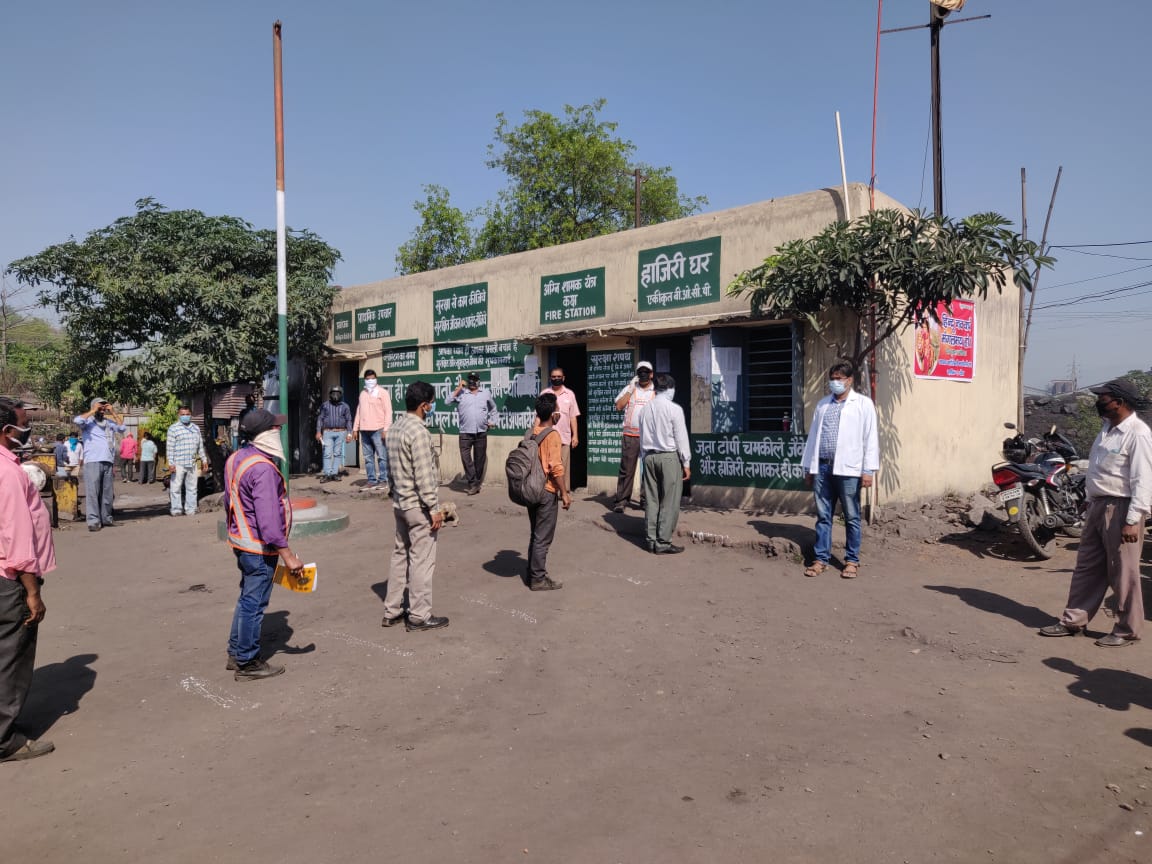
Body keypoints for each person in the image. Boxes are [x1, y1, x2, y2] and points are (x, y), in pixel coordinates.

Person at [1039, 378, 1152, 647]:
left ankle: (1127, 630)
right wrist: (1089, 501)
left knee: (1123, 571)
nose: (1098, 402)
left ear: (1120, 402)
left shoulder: (1137, 433)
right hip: (1098, 506)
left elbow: (1143, 480)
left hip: (1123, 508)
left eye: (1103, 397)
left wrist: (1133, 520)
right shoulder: (1107, 429)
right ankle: (1073, 620)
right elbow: (1100, 470)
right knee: (1087, 566)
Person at [223, 408, 303, 681]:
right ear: (265, 434)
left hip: (241, 542)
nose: (279, 431)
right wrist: (288, 556)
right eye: (275, 428)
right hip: (258, 547)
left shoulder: (238, 458)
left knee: (247, 599)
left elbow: (228, 501)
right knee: (254, 604)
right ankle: (247, 662)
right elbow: (268, 522)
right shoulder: (263, 469)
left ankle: (236, 652)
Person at [0, 398, 56, 762]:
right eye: (23, 425)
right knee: (11, 655)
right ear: (6, 431)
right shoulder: (7, 474)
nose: (27, 431)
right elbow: (17, 538)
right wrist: (32, 591)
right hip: (10, 580)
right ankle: (5, 739)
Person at [800, 361, 879, 579]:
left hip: (849, 470)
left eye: (839, 378)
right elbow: (813, 437)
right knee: (823, 515)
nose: (835, 382)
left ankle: (851, 560)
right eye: (832, 378)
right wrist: (808, 467)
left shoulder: (863, 404)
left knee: (852, 516)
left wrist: (868, 470)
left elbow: (870, 438)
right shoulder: (823, 405)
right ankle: (820, 559)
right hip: (824, 467)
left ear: (850, 380)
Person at [382, 381, 449, 631]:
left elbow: (389, 469)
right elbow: (424, 474)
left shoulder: (396, 428)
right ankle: (419, 615)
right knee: (421, 560)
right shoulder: (419, 432)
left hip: (400, 503)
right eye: (431, 402)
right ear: (424, 405)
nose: (431, 406)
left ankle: (392, 610)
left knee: (400, 555)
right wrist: (434, 507)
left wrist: (395, 493)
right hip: (418, 507)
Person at [638, 374, 691, 555]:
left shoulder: (644, 410)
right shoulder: (674, 409)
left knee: (651, 501)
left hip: (649, 458)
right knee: (669, 501)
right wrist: (686, 461)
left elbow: (641, 436)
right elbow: (681, 438)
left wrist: (644, 458)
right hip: (668, 457)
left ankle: (651, 539)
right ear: (670, 388)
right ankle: (663, 541)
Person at [524, 393, 571, 591]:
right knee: (543, 536)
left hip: (529, 489)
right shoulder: (553, 435)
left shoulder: (530, 432)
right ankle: (538, 579)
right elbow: (556, 468)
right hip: (546, 490)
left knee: (535, 533)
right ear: (553, 413)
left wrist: (552, 422)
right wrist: (564, 493)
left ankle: (533, 572)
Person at [74, 397, 126, 532]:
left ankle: (106, 518)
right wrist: (93, 410)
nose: (102, 409)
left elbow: (122, 428)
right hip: (93, 461)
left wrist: (113, 412)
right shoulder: (88, 422)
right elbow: (77, 420)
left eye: (104, 406)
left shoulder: (109, 422)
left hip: (108, 460)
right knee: (93, 492)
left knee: (107, 493)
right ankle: (93, 521)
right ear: (94, 407)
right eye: (100, 406)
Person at [612, 360, 657, 513]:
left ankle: (646, 500)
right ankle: (622, 500)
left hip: (650, 437)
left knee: (649, 470)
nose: (643, 374)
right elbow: (618, 406)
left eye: (646, 371)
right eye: (640, 371)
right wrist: (630, 390)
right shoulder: (630, 389)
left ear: (651, 374)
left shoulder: (656, 391)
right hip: (630, 435)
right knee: (627, 469)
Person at [448, 372, 498, 495]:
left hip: (481, 431)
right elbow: (447, 401)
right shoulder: (462, 393)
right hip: (465, 432)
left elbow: (493, 408)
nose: (472, 381)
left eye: (474, 379)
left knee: (479, 459)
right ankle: (473, 483)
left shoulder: (485, 393)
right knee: (466, 458)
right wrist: (459, 388)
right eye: (470, 379)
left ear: (478, 381)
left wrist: (493, 421)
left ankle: (475, 484)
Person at [352, 370, 392, 490]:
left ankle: (383, 480)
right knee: (368, 457)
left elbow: (388, 412)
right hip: (364, 430)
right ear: (365, 380)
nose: (370, 381)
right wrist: (355, 428)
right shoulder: (363, 394)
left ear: (376, 379)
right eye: (368, 379)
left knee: (382, 456)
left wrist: (386, 429)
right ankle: (371, 480)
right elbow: (359, 411)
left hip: (378, 429)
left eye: (372, 378)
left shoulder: (383, 393)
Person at [167, 406, 207, 517]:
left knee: (192, 488)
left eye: (187, 414)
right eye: (183, 414)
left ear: (191, 415)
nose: (185, 416)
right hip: (178, 463)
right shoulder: (173, 429)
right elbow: (170, 447)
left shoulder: (196, 428)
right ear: (178, 415)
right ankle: (176, 509)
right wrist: (171, 463)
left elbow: (200, 446)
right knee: (176, 487)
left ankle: (191, 509)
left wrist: (204, 460)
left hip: (192, 462)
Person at [541, 367, 580, 480]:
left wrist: (575, 435)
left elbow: (573, 416)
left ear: (563, 378)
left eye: (559, 377)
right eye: (554, 377)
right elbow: (539, 416)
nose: (556, 378)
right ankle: (550, 493)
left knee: (563, 467)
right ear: (550, 378)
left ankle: (565, 492)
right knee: (549, 465)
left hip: (564, 437)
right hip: (547, 436)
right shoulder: (544, 393)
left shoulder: (569, 394)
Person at [315, 385, 353, 483]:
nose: (335, 395)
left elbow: (349, 420)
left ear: (341, 394)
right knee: (327, 453)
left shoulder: (345, 406)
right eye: (333, 393)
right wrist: (318, 432)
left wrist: (349, 434)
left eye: (338, 393)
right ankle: (327, 474)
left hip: (341, 432)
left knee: (337, 453)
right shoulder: (325, 405)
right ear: (330, 394)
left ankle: (334, 473)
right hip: (327, 432)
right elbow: (320, 419)